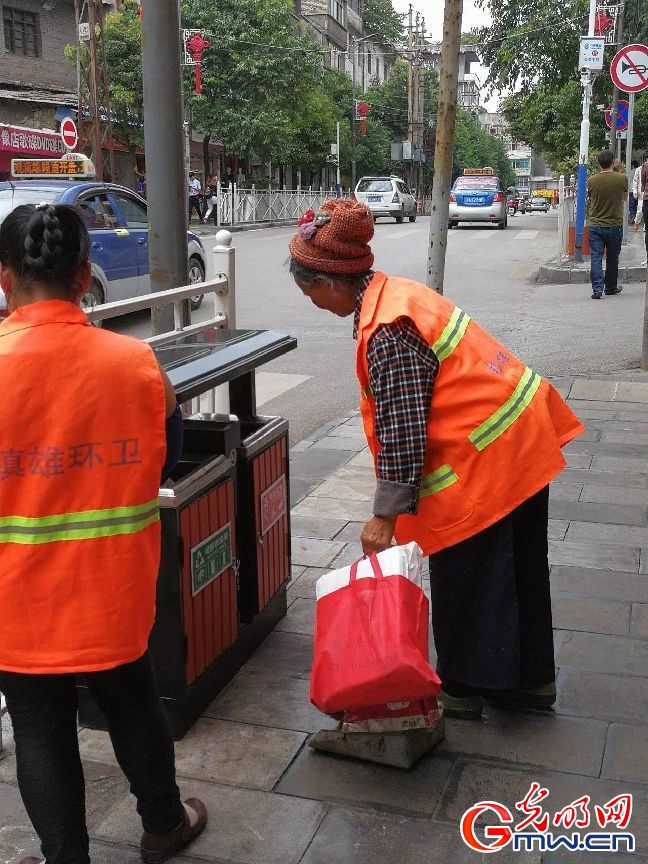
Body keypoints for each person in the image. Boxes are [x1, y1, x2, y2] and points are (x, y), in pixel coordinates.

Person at [288, 199, 584, 720]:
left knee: (470, 578)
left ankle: (467, 687)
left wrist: (385, 515)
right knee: (519, 571)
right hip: (518, 439)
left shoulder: (388, 326)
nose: (309, 300)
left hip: (492, 456)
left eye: (308, 289)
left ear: (333, 281)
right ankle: (531, 682)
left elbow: (403, 428)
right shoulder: (395, 295)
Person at [0, 204, 207, 864]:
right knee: (132, 702)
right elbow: (164, 458)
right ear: (85, 276)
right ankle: (164, 823)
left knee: (38, 728)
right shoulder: (137, 364)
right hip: (110, 591)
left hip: (15, 603)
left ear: (5, 279)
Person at [587, 150, 627, 300]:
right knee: (612, 258)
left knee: (596, 257)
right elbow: (623, 198)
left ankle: (597, 289)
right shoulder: (622, 178)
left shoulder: (592, 180)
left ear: (599, 163)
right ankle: (610, 287)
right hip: (615, 224)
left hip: (596, 225)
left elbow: (591, 199)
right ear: (612, 162)